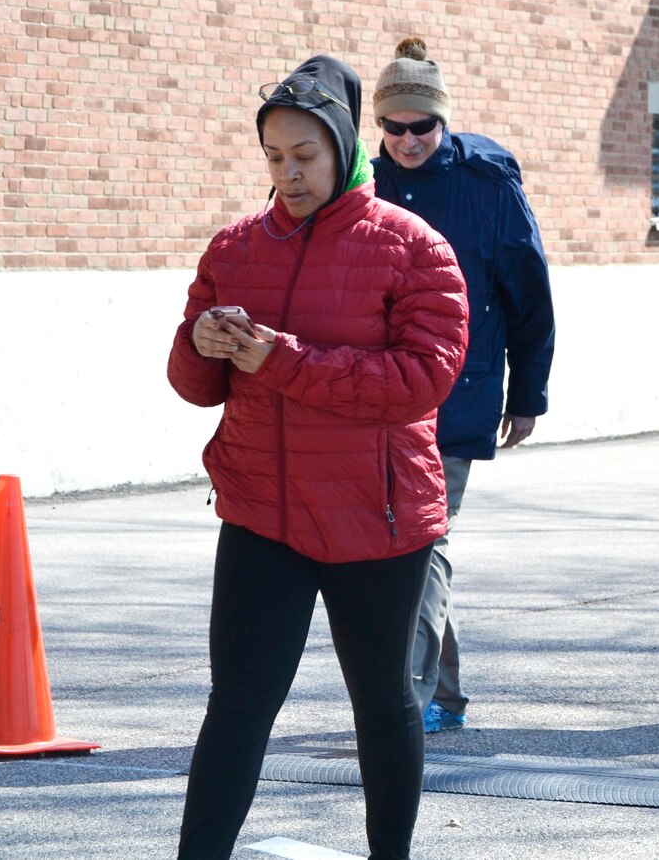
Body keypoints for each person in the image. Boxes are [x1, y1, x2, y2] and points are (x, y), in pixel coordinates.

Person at [167, 55, 468, 859]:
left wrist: (284, 361)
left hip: (378, 517)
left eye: (304, 156)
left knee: (383, 702)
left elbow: (422, 380)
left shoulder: (414, 248)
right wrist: (199, 343)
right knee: (236, 705)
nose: (288, 175)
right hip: (262, 510)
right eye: (273, 158)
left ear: (342, 148)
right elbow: (194, 386)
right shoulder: (235, 246)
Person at [371, 37, 556, 735]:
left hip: (460, 388)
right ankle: (444, 692)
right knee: (396, 540)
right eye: (395, 127)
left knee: (422, 537)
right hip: (377, 390)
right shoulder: (359, 179)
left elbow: (528, 291)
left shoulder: (487, 183)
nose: (410, 140)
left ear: (443, 121)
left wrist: (528, 392)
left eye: (424, 126)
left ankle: (408, 702)